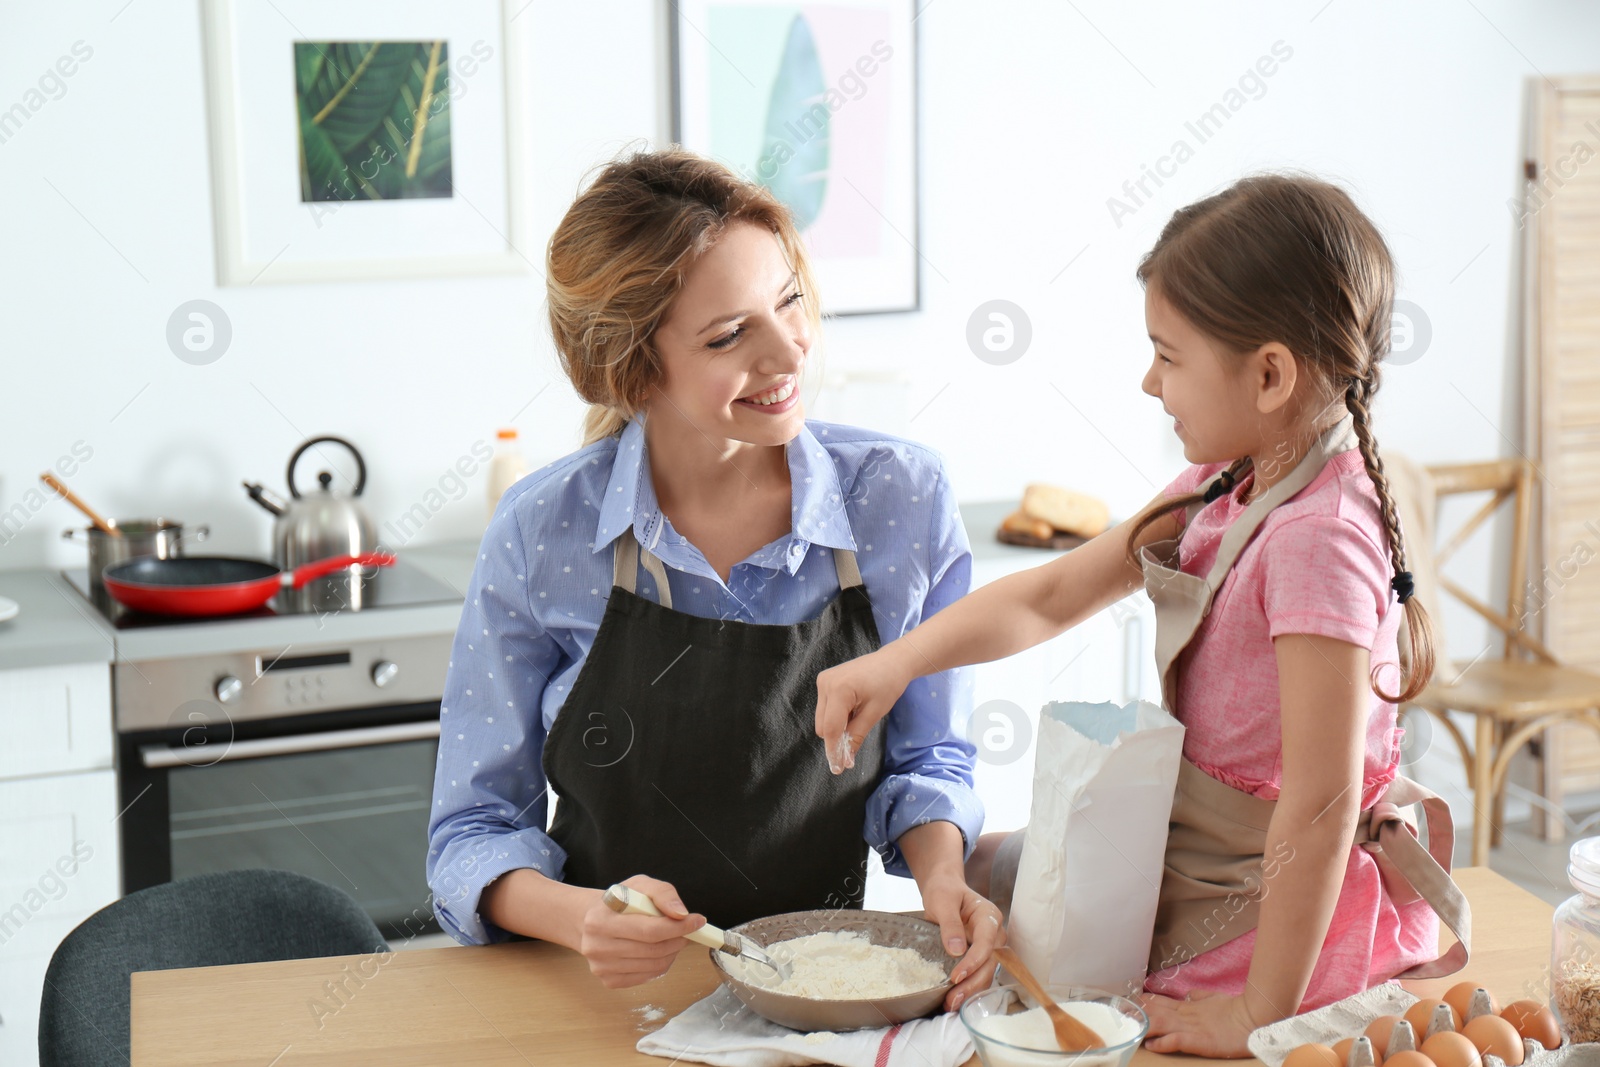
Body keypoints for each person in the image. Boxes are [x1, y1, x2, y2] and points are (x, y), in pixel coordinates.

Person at [813, 173, 1470, 1055]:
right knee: (976, 868)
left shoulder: (1321, 537)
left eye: (1169, 353)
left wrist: (1255, 1017)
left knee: (1054, 975)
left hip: (1265, 903)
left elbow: (1318, 803)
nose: (1149, 380)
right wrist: (895, 664)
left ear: (1270, 373)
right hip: (1189, 845)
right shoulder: (1223, 485)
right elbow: (1051, 593)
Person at [427, 147, 1002, 1011]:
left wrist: (943, 877)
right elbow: (471, 832)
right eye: (729, 335)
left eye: (789, 303)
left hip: (827, 993)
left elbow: (928, 758)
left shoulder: (899, 500)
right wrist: (586, 917)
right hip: (605, 997)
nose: (788, 354)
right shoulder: (542, 532)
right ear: (631, 365)